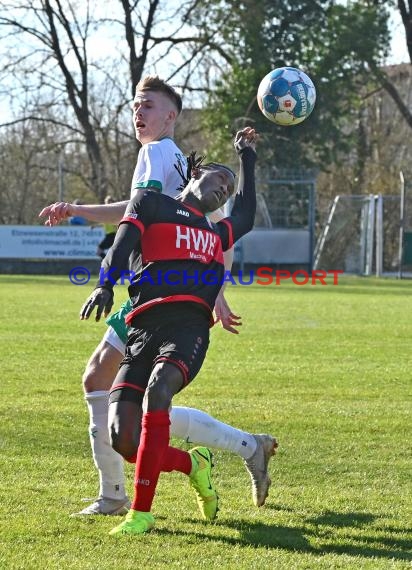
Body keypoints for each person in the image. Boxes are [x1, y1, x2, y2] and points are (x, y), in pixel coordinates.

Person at [39, 76, 277, 517]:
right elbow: (151, 213)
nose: (138, 112)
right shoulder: (182, 166)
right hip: (175, 290)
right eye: (135, 104)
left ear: (171, 116)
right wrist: (77, 210)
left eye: (148, 105)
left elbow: (152, 217)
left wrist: (212, 290)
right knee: (134, 396)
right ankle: (247, 446)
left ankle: (115, 496)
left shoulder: (156, 152)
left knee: (103, 382)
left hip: (154, 291)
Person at [79, 126, 259, 536]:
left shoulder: (217, 231)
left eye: (229, 188)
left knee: (161, 389)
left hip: (189, 328)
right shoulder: (153, 205)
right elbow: (123, 242)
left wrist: (246, 158)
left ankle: (140, 513)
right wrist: (106, 282)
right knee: (124, 439)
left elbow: (246, 213)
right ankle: (193, 463)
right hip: (141, 330)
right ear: (195, 176)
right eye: (220, 179)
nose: (225, 190)